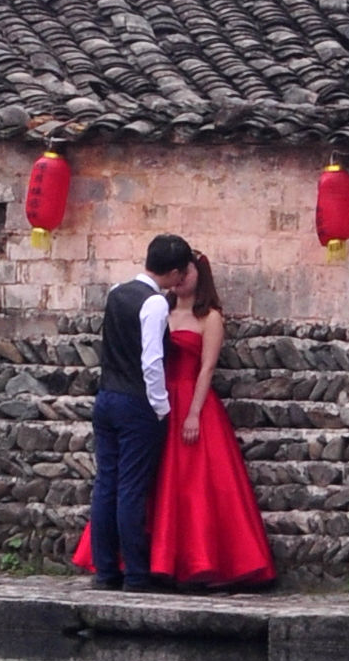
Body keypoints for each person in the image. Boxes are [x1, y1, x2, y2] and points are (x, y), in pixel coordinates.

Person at [76, 244, 279, 588]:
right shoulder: (156, 306)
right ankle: (135, 564)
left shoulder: (209, 317)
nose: (184, 278)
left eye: (190, 271)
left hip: (187, 401)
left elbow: (207, 367)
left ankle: (185, 562)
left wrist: (194, 413)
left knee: (184, 488)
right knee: (136, 486)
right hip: (152, 399)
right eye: (180, 271)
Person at [86, 233, 196, 588]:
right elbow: (152, 361)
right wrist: (161, 406)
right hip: (136, 401)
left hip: (106, 396)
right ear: (176, 272)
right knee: (131, 487)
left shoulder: (118, 292)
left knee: (106, 484)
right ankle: (135, 571)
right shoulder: (154, 304)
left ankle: (105, 570)